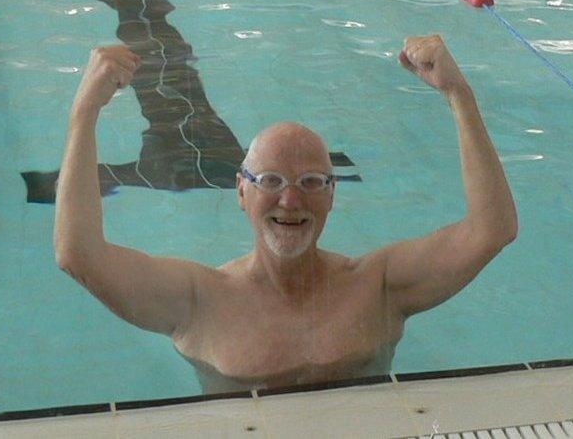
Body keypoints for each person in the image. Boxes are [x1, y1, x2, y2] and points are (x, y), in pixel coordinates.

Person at [54, 34, 518, 393]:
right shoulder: (199, 301)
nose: (290, 201)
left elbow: (492, 230)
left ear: (332, 194)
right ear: (241, 191)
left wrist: (459, 94)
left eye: (311, 183)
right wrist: (84, 113)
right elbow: (79, 255)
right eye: (270, 181)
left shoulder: (378, 286)